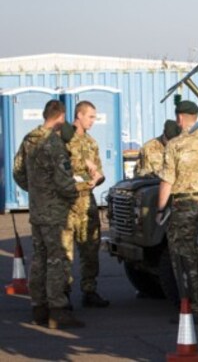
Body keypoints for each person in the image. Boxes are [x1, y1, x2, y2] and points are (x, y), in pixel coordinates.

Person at [14, 100, 83, 328]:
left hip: (37, 210)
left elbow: (18, 172)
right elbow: (64, 184)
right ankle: (58, 310)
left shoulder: (29, 139)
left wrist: (36, 190)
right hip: (55, 213)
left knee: (39, 259)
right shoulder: (53, 143)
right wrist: (78, 192)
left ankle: (39, 307)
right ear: (61, 117)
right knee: (57, 259)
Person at [157, 100, 198, 324]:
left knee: (182, 259)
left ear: (179, 118)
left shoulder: (174, 145)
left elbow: (167, 181)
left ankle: (191, 309)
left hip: (182, 207)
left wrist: (159, 209)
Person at [63, 101, 109, 308]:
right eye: (90, 117)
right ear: (79, 115)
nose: (93, 121)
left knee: (90, 249)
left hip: (87, 203)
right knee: (65, 251)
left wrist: (97, 178)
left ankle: (89, 290)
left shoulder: (91, 142)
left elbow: (98, 171)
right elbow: (59, 168)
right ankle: (63, 294)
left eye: (94, 117)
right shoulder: (64, 139)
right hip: (68, 203)